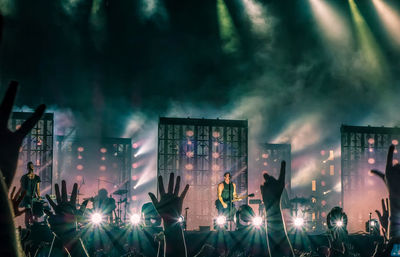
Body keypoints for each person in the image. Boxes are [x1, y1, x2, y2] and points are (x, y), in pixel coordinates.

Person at [20, 161, 41, 227]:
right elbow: (22, 188)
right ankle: (27, 225)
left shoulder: (37, 177)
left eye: (32, 165)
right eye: (29, 166)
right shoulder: (24, 177)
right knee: (28, 211)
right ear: (27, 168)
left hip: (33, 197)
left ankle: (35, 225)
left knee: (35, 212)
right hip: (26, 197)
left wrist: (39, 196)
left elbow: (38, 188)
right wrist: (22, 197)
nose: (31, 167)